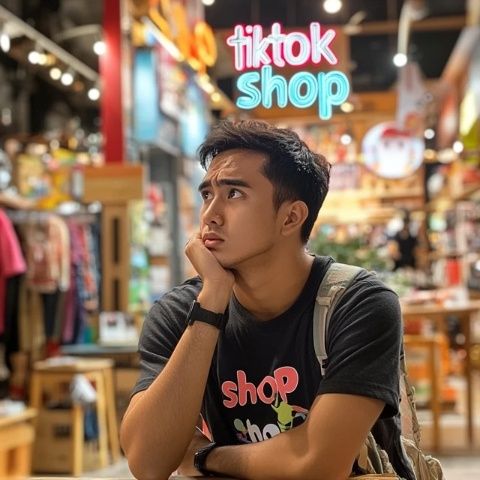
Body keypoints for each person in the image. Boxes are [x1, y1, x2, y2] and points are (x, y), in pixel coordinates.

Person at [120, 120, 404, 480]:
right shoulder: (181, 311)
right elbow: (147, 463)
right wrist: (211, 303)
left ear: (291, 217)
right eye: (207, 195)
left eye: (234, 194)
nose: (209, 215)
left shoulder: (357, 304)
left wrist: (205, 457)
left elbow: (318, 464)